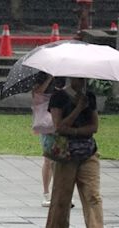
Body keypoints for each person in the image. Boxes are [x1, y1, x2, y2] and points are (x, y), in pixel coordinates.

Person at [46, 77, 103, 228]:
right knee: (61, 199)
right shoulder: (58, 97)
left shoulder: (89, 97)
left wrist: (74, 131)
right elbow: (59, 126)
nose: (83, 81)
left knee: (93, 196)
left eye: (84, 78)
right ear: (71, 77)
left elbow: (94, 127)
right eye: (79, 78)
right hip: (65, 153)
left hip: (88, 151)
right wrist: (78, 108)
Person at [31, 73, 66, 207]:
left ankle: (61, 193)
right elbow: (36, 93)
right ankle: (46, 194)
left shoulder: (64, 75)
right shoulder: (42, 77)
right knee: (48, 160)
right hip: (46, 127)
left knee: (61, 160)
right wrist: (49, 78)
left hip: (61, 125)